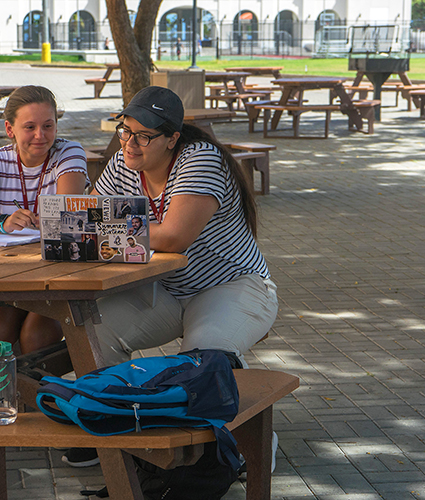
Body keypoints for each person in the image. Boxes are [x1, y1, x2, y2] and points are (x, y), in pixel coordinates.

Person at [62, 86, 278, 468]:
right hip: (164, 287)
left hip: (232, 285)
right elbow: (84, 223)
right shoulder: (123, 165)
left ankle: (246, 441)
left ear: (172, 138)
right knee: (94, 331)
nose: (130, 143)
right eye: (124, 130)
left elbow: (175, 235)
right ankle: (114, 424)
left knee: (204, 360)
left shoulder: (201, 160)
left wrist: (100, 228)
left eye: (144, 136)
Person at [0, 85, 88, 357]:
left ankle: (34, 399)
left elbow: (67, 218)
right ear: (9, 129)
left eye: (48, 125)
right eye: (30, 127)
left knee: (35, 336)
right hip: (9, 271)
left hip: (57, 270)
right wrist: (3, 222)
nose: (40, 135)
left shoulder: (69, 153)